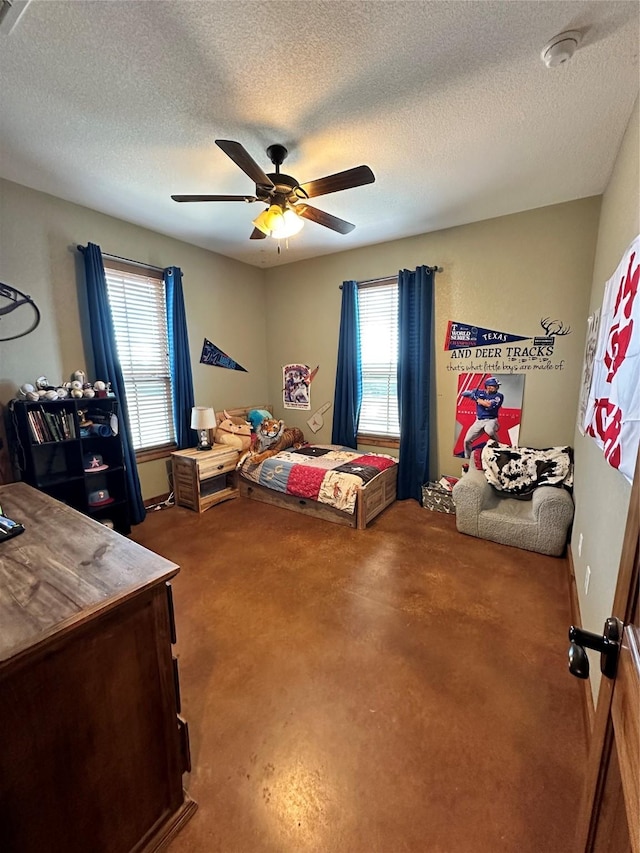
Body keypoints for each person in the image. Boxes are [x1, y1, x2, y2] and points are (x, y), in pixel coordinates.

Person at [461, 377, 504, 458]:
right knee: (467, 440)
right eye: (494, 385)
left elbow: (488, 405)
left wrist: (476, 398)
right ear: (488, 386)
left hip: (491, 420)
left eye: (496, 386)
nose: (496, 387)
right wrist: (471, 393)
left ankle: (499, 445)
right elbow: (463, 393)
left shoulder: (499, 396)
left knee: (489, 431)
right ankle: (467, 457)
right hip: (479, 421)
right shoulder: (479, 392)